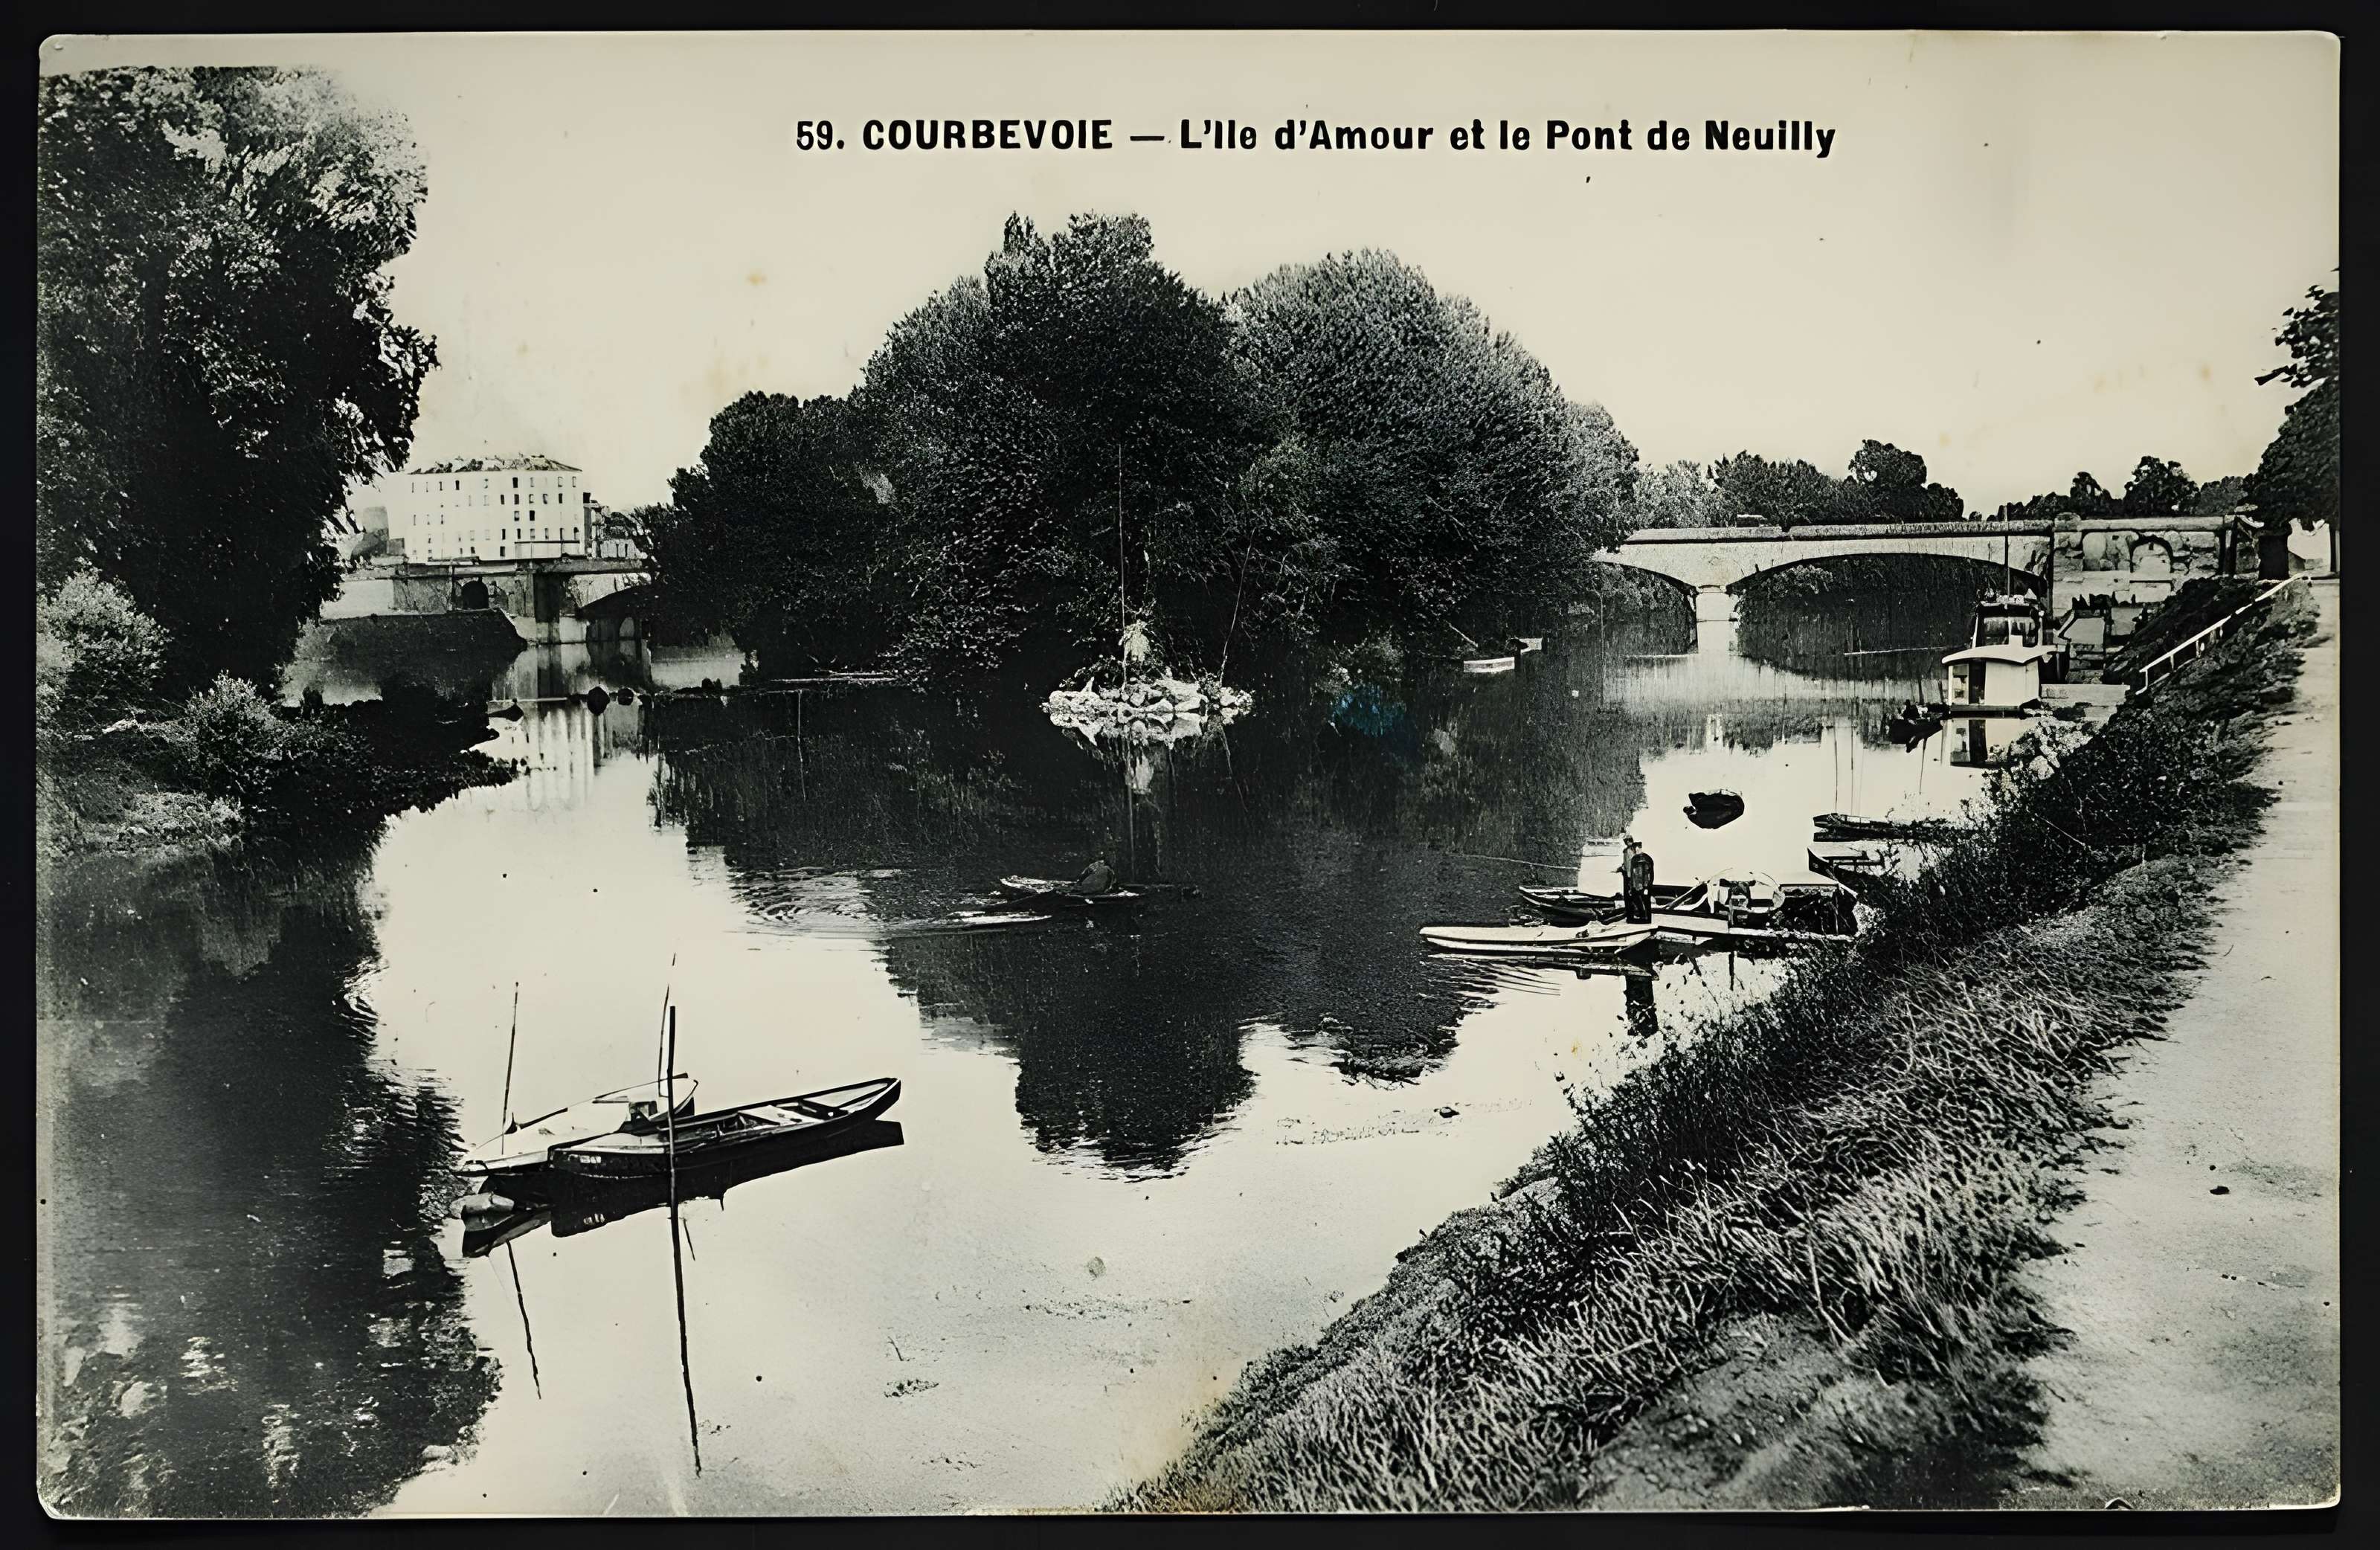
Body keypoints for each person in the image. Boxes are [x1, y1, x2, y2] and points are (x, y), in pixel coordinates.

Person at [1620, 836, 1656, 924]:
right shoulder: (1635, 858)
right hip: (1638, 884)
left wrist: (1646, 886)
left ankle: (1645, 918)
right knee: (1640, 900)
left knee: (1643, 900)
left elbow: (1647, 874)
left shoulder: (1643, 859)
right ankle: (1643, 917)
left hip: (1642, 884)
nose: (1636, 850)